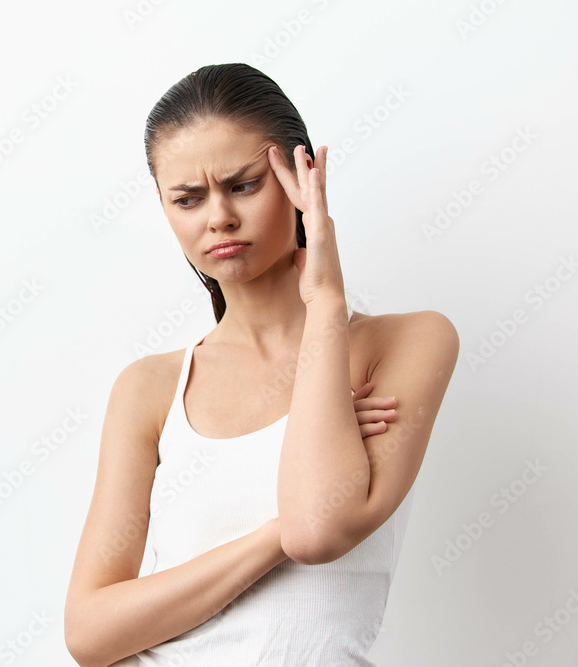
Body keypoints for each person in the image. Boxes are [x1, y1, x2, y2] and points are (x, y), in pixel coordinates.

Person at [63, 63, 459, 666]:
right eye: (188, 199)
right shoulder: (151, 388)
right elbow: (89, 633)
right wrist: (274, 532)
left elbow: (317, 533)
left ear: (303, 176)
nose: (217, 216)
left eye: (243, 184)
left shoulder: (408, 342)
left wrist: (326, 301)